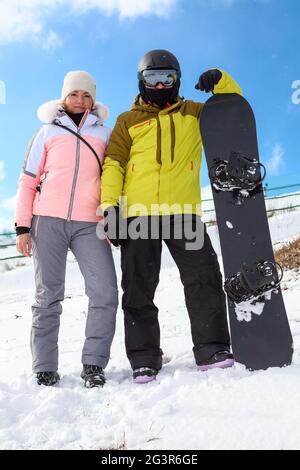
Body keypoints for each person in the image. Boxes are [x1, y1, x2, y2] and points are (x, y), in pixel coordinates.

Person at [101, 50, 242, 384]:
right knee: (137, 289)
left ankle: (212, 349)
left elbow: (233, 110)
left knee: (204, 280)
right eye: (152, 78)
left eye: (167, 77)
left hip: (184, 213)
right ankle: (144, 358)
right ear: (141, 81)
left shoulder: (195, 113)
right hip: (138, 216)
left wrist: (220, 80)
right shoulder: (126, 121)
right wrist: (110, 208)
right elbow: (114, 165)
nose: (160, 84)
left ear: (178, 79)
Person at [15, 71, 118, 388]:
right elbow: (28, 180)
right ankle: (45, 367)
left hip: (91, 223)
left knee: (105, 293)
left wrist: (114, 217)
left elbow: (115, 176)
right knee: (48, 295)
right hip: (48, 221)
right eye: (74, 94)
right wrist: (22, 226)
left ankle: (94, 364)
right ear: (64, 97)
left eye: (86, 95)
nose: (80, 100)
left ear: (93, 99)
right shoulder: (45, 133)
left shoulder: (105, 135)